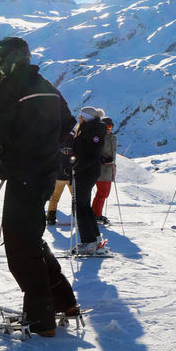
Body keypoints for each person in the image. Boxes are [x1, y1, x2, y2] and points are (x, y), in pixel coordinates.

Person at [0, 37, 78, 337]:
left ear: (10, 63)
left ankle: (40, 320)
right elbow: (68, 124)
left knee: (20, 249)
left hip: (25, 175)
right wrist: (44, 146)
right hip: (44, 175)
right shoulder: (46, 85)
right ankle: (64, 301)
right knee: (31, 240)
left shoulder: (13, 87)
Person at [71, 106, 107, 255]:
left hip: (86, 172)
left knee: (80, 206)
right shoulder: (89, 128)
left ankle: (89, 242)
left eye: (81, 115)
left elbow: (92, 155)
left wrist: (78, 166)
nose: (79, 117)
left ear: (86, 117)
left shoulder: (93, 131)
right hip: (85, 171)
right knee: (84, 206)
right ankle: (95, 240)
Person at [92, 116, 118, 225]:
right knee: (102, 193)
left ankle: (95, 214)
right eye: (106, 127)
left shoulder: (113, 137)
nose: (108, 129)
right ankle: (96, 215)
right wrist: (102, 159)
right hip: (101, 169)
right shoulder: (98, 137)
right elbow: (93, 152)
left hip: (110, 169)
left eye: (110, 127)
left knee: (104, 193)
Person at [46, 129, 75, 226]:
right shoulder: (76, 142)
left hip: (59, 176)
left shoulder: (57, 141)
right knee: (76, 197)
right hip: (71, 176)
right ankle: (78, 216)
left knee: (54, 197)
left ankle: (50, 217)